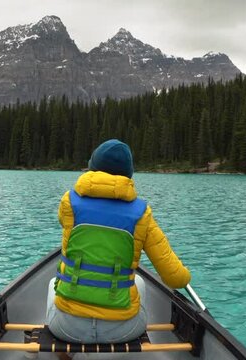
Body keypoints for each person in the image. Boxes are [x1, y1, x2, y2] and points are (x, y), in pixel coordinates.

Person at [45, 139, 191, 346]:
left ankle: (55, 353)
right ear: (128, 174)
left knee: (53, 284)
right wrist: (185, 276)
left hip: (66, 328)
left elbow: (63, 222)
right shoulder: (142, 214)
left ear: (92, 168)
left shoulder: (69, 202)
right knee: (138, 283)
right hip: (123, 331)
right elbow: (175, 278)